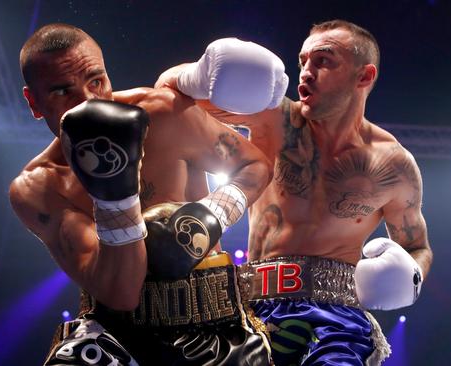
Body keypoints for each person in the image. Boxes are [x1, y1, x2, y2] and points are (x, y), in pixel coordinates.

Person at [157, 19, 434, 365]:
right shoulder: (273, 118)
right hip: (251, 310)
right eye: (303, 60)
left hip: (337, 320)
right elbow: (168, 96)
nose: (305, 71)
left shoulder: (394, 165)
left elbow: (417, 246)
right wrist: (199, 73)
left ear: (364, 77)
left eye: (323, 61)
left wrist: (411, 275)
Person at [9, 23, 288, 365]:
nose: (88, 101)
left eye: (96, 81)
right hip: (117, 337)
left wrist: (215, 212)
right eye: (61, 92)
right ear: (34, 102)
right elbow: (121, 293)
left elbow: (254, 165)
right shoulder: (39, 187)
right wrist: (115, 195)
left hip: (215, 326)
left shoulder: (162, 112)